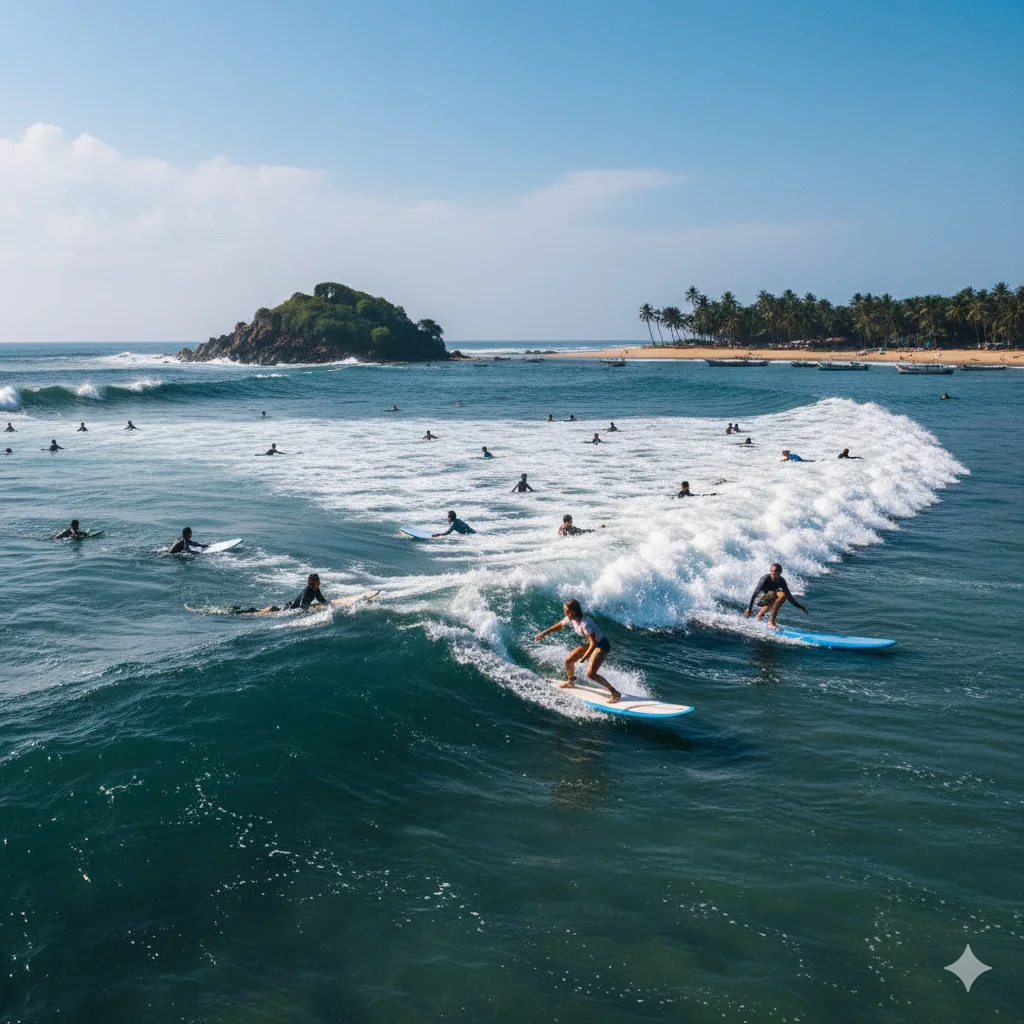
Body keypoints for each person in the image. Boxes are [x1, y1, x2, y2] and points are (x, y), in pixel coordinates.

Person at [535, 599, 621, 703]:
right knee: (568, 661)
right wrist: (544, 633)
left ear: (573, 612)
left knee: (590, 674)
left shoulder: (586, 623)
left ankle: (615, 693)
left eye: (566, 611)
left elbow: (593, 643)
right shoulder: (571, 618)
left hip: (601, 645)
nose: (565, 613)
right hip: (589, 644)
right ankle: (570, 682)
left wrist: (584, 657)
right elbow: (560, 625)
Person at [743, 562, 809, 627]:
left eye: (776, 571)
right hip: (759, 599)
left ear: (780, 572)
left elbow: (789, 596)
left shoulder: (782, 581)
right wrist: (750, 608)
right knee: (775, 594)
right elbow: (754, 594)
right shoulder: (764, 579)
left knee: (780, 594)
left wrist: (800, 606)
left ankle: (759, 616)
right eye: (772, 571)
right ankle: (771, 621)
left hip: (767, 598)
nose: (773, 573)